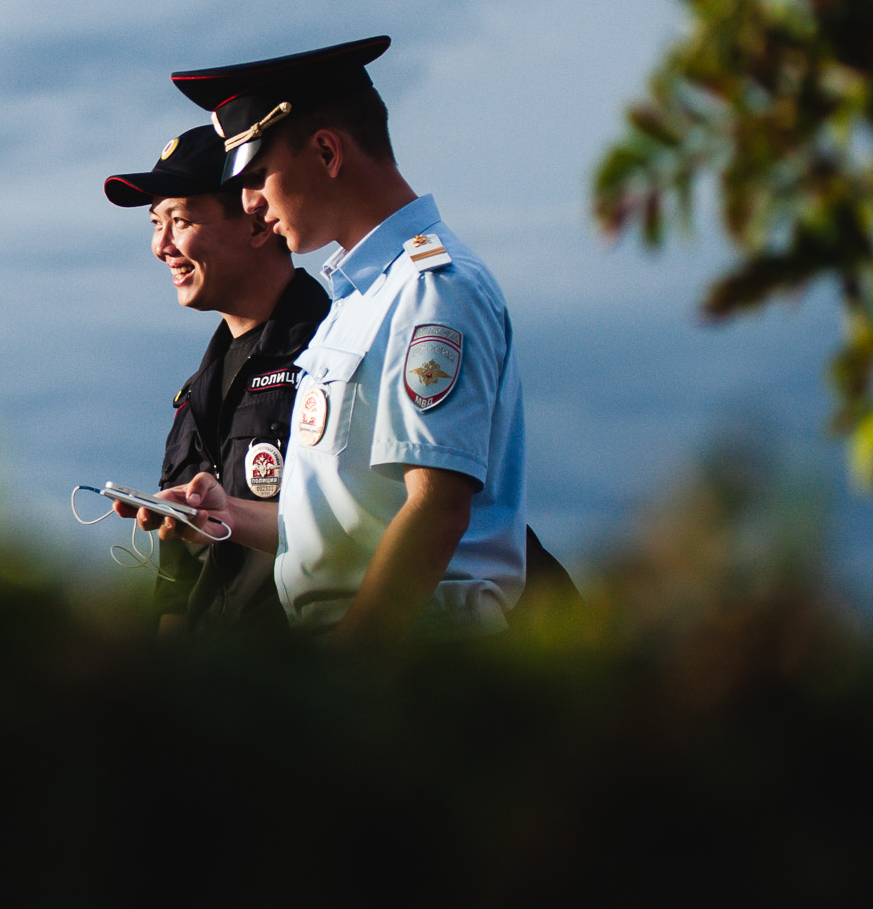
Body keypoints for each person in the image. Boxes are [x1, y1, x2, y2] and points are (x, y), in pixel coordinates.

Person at [154, 35, 571, 646]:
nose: (249, 202)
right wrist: (229, 514)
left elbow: (436, 511)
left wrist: (349, 684)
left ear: (326, 152)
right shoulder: (357, 299)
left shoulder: (432, 290)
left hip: (415, 663)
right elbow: (356, 522)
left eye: (257, 174)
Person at [103, 124, 329, 636]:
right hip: (218, 693)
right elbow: (177, 579)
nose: (162, 246)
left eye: (180, 220)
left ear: (255, 223)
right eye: (155, 223)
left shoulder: (334, 356)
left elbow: (379, 523)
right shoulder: (196, 392)